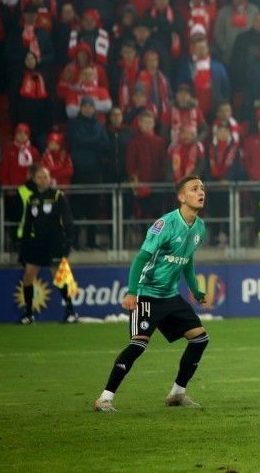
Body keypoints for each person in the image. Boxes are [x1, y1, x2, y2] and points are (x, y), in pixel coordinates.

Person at [93, 175, 209, 412]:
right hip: (147, 294)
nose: (201, 192)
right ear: (181, 197)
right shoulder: (165, 225)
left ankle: (177, 394)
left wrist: (195, 289)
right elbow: (140, 259)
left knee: (200, 338)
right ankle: (104, 398)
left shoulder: (199, 227)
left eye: (202, 189)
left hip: (170, 296)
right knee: (138, 344)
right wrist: (132, 292)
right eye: (194, 189)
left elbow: (187, 261)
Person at [17, 165, 76, 324]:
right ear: (34, 179)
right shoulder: (31, 199)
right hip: (37, 243)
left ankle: (70, 311)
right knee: (28, 275)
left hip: (55, 242)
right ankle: (28, 313)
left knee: (58, 276)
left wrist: (69, 241)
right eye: (40, 177)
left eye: (46, 177)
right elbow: (28, 223)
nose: (43, 180)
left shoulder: (57, 196)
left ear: (50, 179)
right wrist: (23, 246)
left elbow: (68, 220)